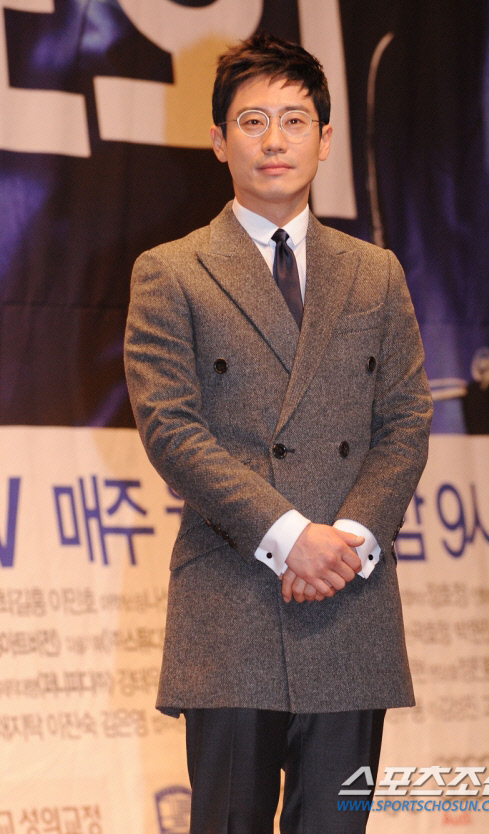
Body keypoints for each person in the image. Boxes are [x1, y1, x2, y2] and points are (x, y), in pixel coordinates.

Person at [124, 31, 433, 834]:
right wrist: (291, 537)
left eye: (294, 121)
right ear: (218, 139)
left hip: (350, 603)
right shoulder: (171, 271)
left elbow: (406, 420)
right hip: (232, 605)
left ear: (325, 140)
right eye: (252, 121)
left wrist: (350, 540)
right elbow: (172, 429)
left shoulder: (376, 272)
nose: (273, 141)